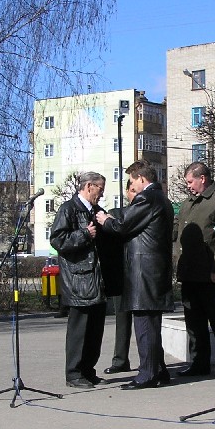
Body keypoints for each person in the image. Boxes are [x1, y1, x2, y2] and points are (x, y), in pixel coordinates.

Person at [96, 160, 174, 390]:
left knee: (144, 324)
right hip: (153, 270)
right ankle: (158, 369)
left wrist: (105, 220)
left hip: (144, 272)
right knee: (151, 324)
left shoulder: (147, 198)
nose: (131, 186)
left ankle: (147, 374)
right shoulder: (162, 199)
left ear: (141, 179)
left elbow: (122, 225)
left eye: (131, 181)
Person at [176, 162, 215, 378]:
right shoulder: (187, 204)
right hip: (189, 271)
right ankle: (199, 362)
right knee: (194, 321)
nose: (189, 186)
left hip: (209, 271)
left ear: (203, 178)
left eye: (190, 182)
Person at [50, 172, 109, 388]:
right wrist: (84, 234)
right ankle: (74, 373)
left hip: (96, 278)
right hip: (78, 279)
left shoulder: (95, 210)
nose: (101, 194)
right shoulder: (69, 209)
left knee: (95, 329)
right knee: (79, 330)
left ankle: (88, 370)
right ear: (89, 186)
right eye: (100, 189)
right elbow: (58, 239)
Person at [103, 180, 138, 375]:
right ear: (126, 192)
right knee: (121, 319)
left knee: (147, 320)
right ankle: (120, 359)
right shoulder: (117, 214)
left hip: (140, 273)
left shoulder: (144, 210)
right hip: (121, 273)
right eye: (131, 190)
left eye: (136, 190)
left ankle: (155, 361)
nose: (133, 194)